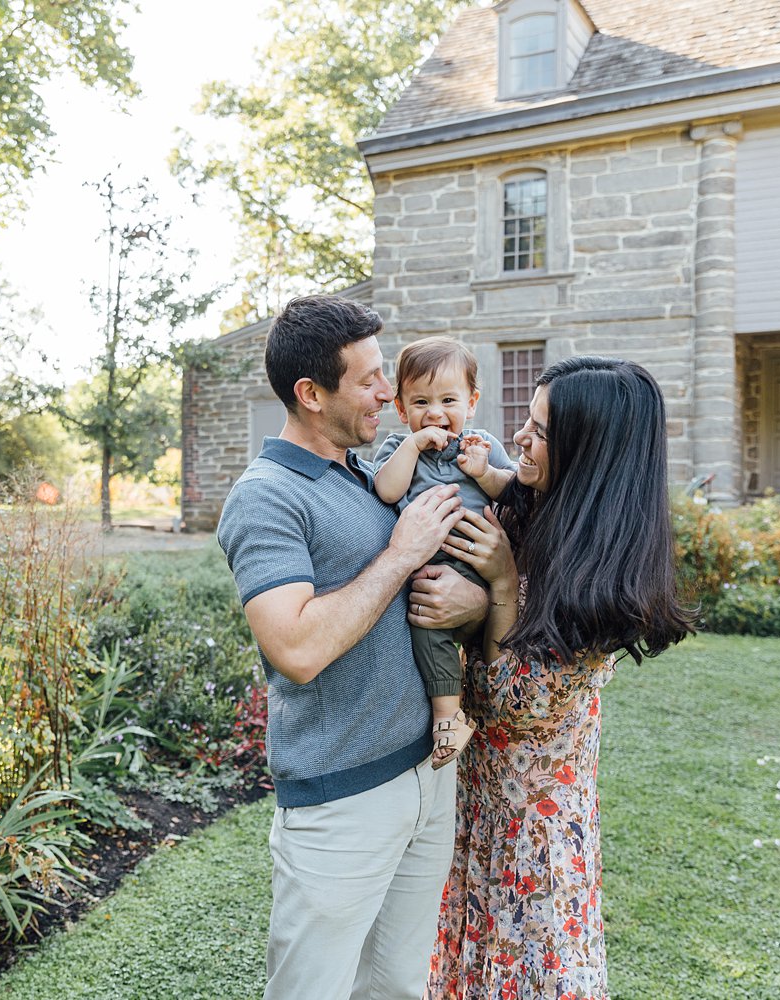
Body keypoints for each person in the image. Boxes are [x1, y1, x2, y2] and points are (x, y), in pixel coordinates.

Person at [216, 294, 490, 1000]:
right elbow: (298, 647)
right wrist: (402, 555)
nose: (387, 393)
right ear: (311, 394)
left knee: (399, 987)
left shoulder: (365, 474)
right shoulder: (266, 495)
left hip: (426, 774)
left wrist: (481, 596)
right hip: (341, 801)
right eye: (369, 379)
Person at [423, 356, 695, 1000]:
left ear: (587, 453)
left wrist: (499, 586)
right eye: (528, 419)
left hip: (532, 832)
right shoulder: (532, 506)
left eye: (541, 431)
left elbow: (515, 702)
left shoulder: (602, 575)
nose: (518, 436)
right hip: (476, 803)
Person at [373, 337, 517, 770]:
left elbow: (514, 493)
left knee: (483, 636)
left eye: (448, 399)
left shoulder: (481, 443)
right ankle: (448, 718)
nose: (435, 413)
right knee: (425, 625)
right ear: (401, 410)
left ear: (471, 402)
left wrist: (484, 471)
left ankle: (483, 697)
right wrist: (413, 447)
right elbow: (386, 489)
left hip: (477, 567)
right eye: (420, 402)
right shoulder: (400, 450)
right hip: (432, 576)